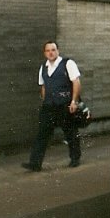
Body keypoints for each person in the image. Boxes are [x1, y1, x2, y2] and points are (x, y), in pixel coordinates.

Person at [22, 41, 82, 171]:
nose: (51, 53)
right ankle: (35, 163)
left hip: (65, 104)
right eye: (48, 50)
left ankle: (75, 158)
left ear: (58, 51)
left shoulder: (68, 64)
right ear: (45, 53)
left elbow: (76, 82)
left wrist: (74, 101)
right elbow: (43, 86)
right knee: (42, 133)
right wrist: (45, 101)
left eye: (53, 50)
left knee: (70, 132)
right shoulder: (43, 67)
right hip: (49, 106)